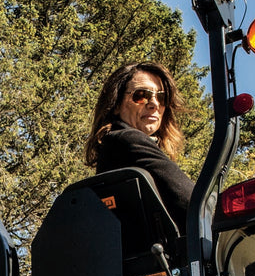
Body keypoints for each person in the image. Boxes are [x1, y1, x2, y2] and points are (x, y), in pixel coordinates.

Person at [83, 61, 194, 223]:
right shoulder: (127, 140)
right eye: (141, 95)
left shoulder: (113, 146)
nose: (154, 104)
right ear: (116, 104)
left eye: (162, 97)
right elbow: (191, 200)